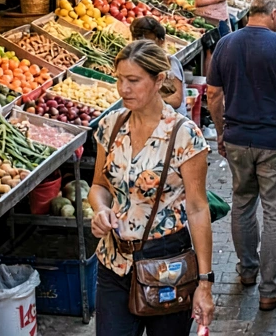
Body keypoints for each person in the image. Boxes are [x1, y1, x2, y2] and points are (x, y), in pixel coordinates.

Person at [90, 41, 214, 335]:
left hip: (167, 265)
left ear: (159, 80)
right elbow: (98, 185)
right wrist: (100, 210)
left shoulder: (184, 135)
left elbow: (197, 208)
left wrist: (205, 283)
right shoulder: (110, 126)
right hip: (114, 262)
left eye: (133, 80)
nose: (124, 89)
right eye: (119, 79)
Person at [206, 0, 276, 310]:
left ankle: (247, 272)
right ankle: (271, 289)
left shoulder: (226, 44)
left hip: (238, 139)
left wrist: (221, 131)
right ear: (272, 14)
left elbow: (214, 94)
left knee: (242, 203)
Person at [129, 17, 185, 110]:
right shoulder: (135, 62)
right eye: (138, 42)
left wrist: (149, 101)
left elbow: (176, 100)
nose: (143, 48)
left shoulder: (169, 62)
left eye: (149, 43)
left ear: (161, 41)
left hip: (170, 118)